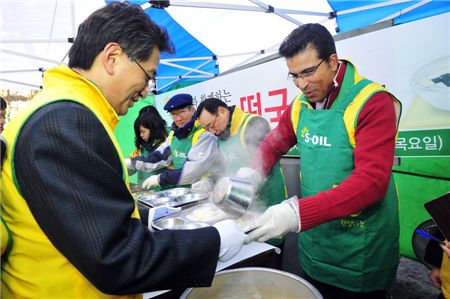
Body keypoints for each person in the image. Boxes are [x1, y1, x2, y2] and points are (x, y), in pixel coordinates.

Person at [1, 3, 246, 298]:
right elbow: (115, 258)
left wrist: (143, 220)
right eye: (148, 75)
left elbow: (87, 216)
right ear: (113, 57)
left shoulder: (70, 113)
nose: (146, 91)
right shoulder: (62, 121)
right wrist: (214, 242)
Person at [240, 23, 402, 298]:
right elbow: (273, 144)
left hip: (360, 244)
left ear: (332, 62)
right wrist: (252, 173)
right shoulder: (300, 106)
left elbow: (372, 182)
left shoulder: (372, 102)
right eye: (294, 76)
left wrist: (297, 213)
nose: (302, 84)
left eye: (308, 72)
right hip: (317, 240)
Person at [196, 97, 287, 207]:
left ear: (222, 112)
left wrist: (250, 175)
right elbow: (222, 169)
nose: (212, 131)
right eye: (206, 129)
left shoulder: (253, 123)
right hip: (238, 199)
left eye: (211, 125)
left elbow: (265, 160)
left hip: (268, 198)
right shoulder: (220, 136)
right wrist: (209, 182)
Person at [128, 93, 223, 191]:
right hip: (184, 191)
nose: (178, 119)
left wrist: (161, 178)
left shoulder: (204, 133)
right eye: (173, 114)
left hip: (205, 190)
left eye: (182, 112)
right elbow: (160, 157)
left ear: (192, 110)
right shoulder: (174, 134)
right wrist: (131, 163)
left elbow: (193, 170)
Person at [127, 105, 169, 185]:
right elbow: (134, 160)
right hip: (145, 186)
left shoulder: (168, 138)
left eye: (143, 131)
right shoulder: (143, 142)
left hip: (162, 187)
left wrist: (130, 162)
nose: (141, 135)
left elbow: (155, 160)